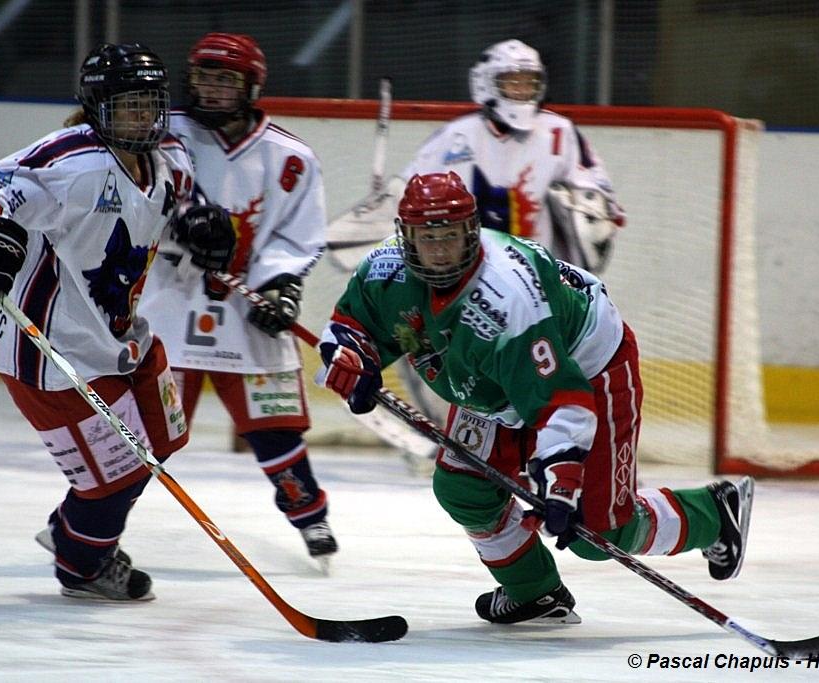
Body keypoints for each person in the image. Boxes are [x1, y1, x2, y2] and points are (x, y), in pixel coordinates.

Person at [316, 171, 754, 624]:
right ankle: (535, 592)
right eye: (428, 238)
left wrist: (560, 483)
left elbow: (559, 399)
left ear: (471, 232)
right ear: (406, 238)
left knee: (597, 533)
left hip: (586, 364)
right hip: (488, 380)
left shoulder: (507, 300)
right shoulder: (385, 270)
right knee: (464, 488)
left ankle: (712, 513)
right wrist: (352, 358)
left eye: (450, 236)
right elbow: (352, 324)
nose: (441, 250)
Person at [0, 43, 236, 601]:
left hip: (124, 336)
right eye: (127, 105)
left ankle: (73, 529)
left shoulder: (172, 154)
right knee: (119, 476)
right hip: (52, 353)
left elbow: (181, 203)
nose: (142, 117)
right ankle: (81, 566)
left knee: (164, 439)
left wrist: (202, 223)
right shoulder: (74, 164)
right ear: (98, 108)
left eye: (150, 104)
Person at [137, 33, 338, 565]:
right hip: (165, 311)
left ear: (251, 85)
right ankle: (88, 521)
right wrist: (176, 224)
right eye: (206, 76)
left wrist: (279, 286)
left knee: (275, 428)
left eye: (227, 79)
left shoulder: (291, 158)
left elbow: (298, 236)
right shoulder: (158, 135)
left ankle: (310, 520)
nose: (215, 89)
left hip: (247, 314)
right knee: (140, 435)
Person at [393, 39, 628, 464]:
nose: (521, 91)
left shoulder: (559, 133)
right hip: (466, 277)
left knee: (552, 368)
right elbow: (411, 199)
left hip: (534, 282)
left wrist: (593, 208)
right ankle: (455, 443)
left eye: (528, 82)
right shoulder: (458, 136)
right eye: (511, 81)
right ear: (486, 84)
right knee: (442, 352)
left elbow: (597, 193)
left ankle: (576, 453)